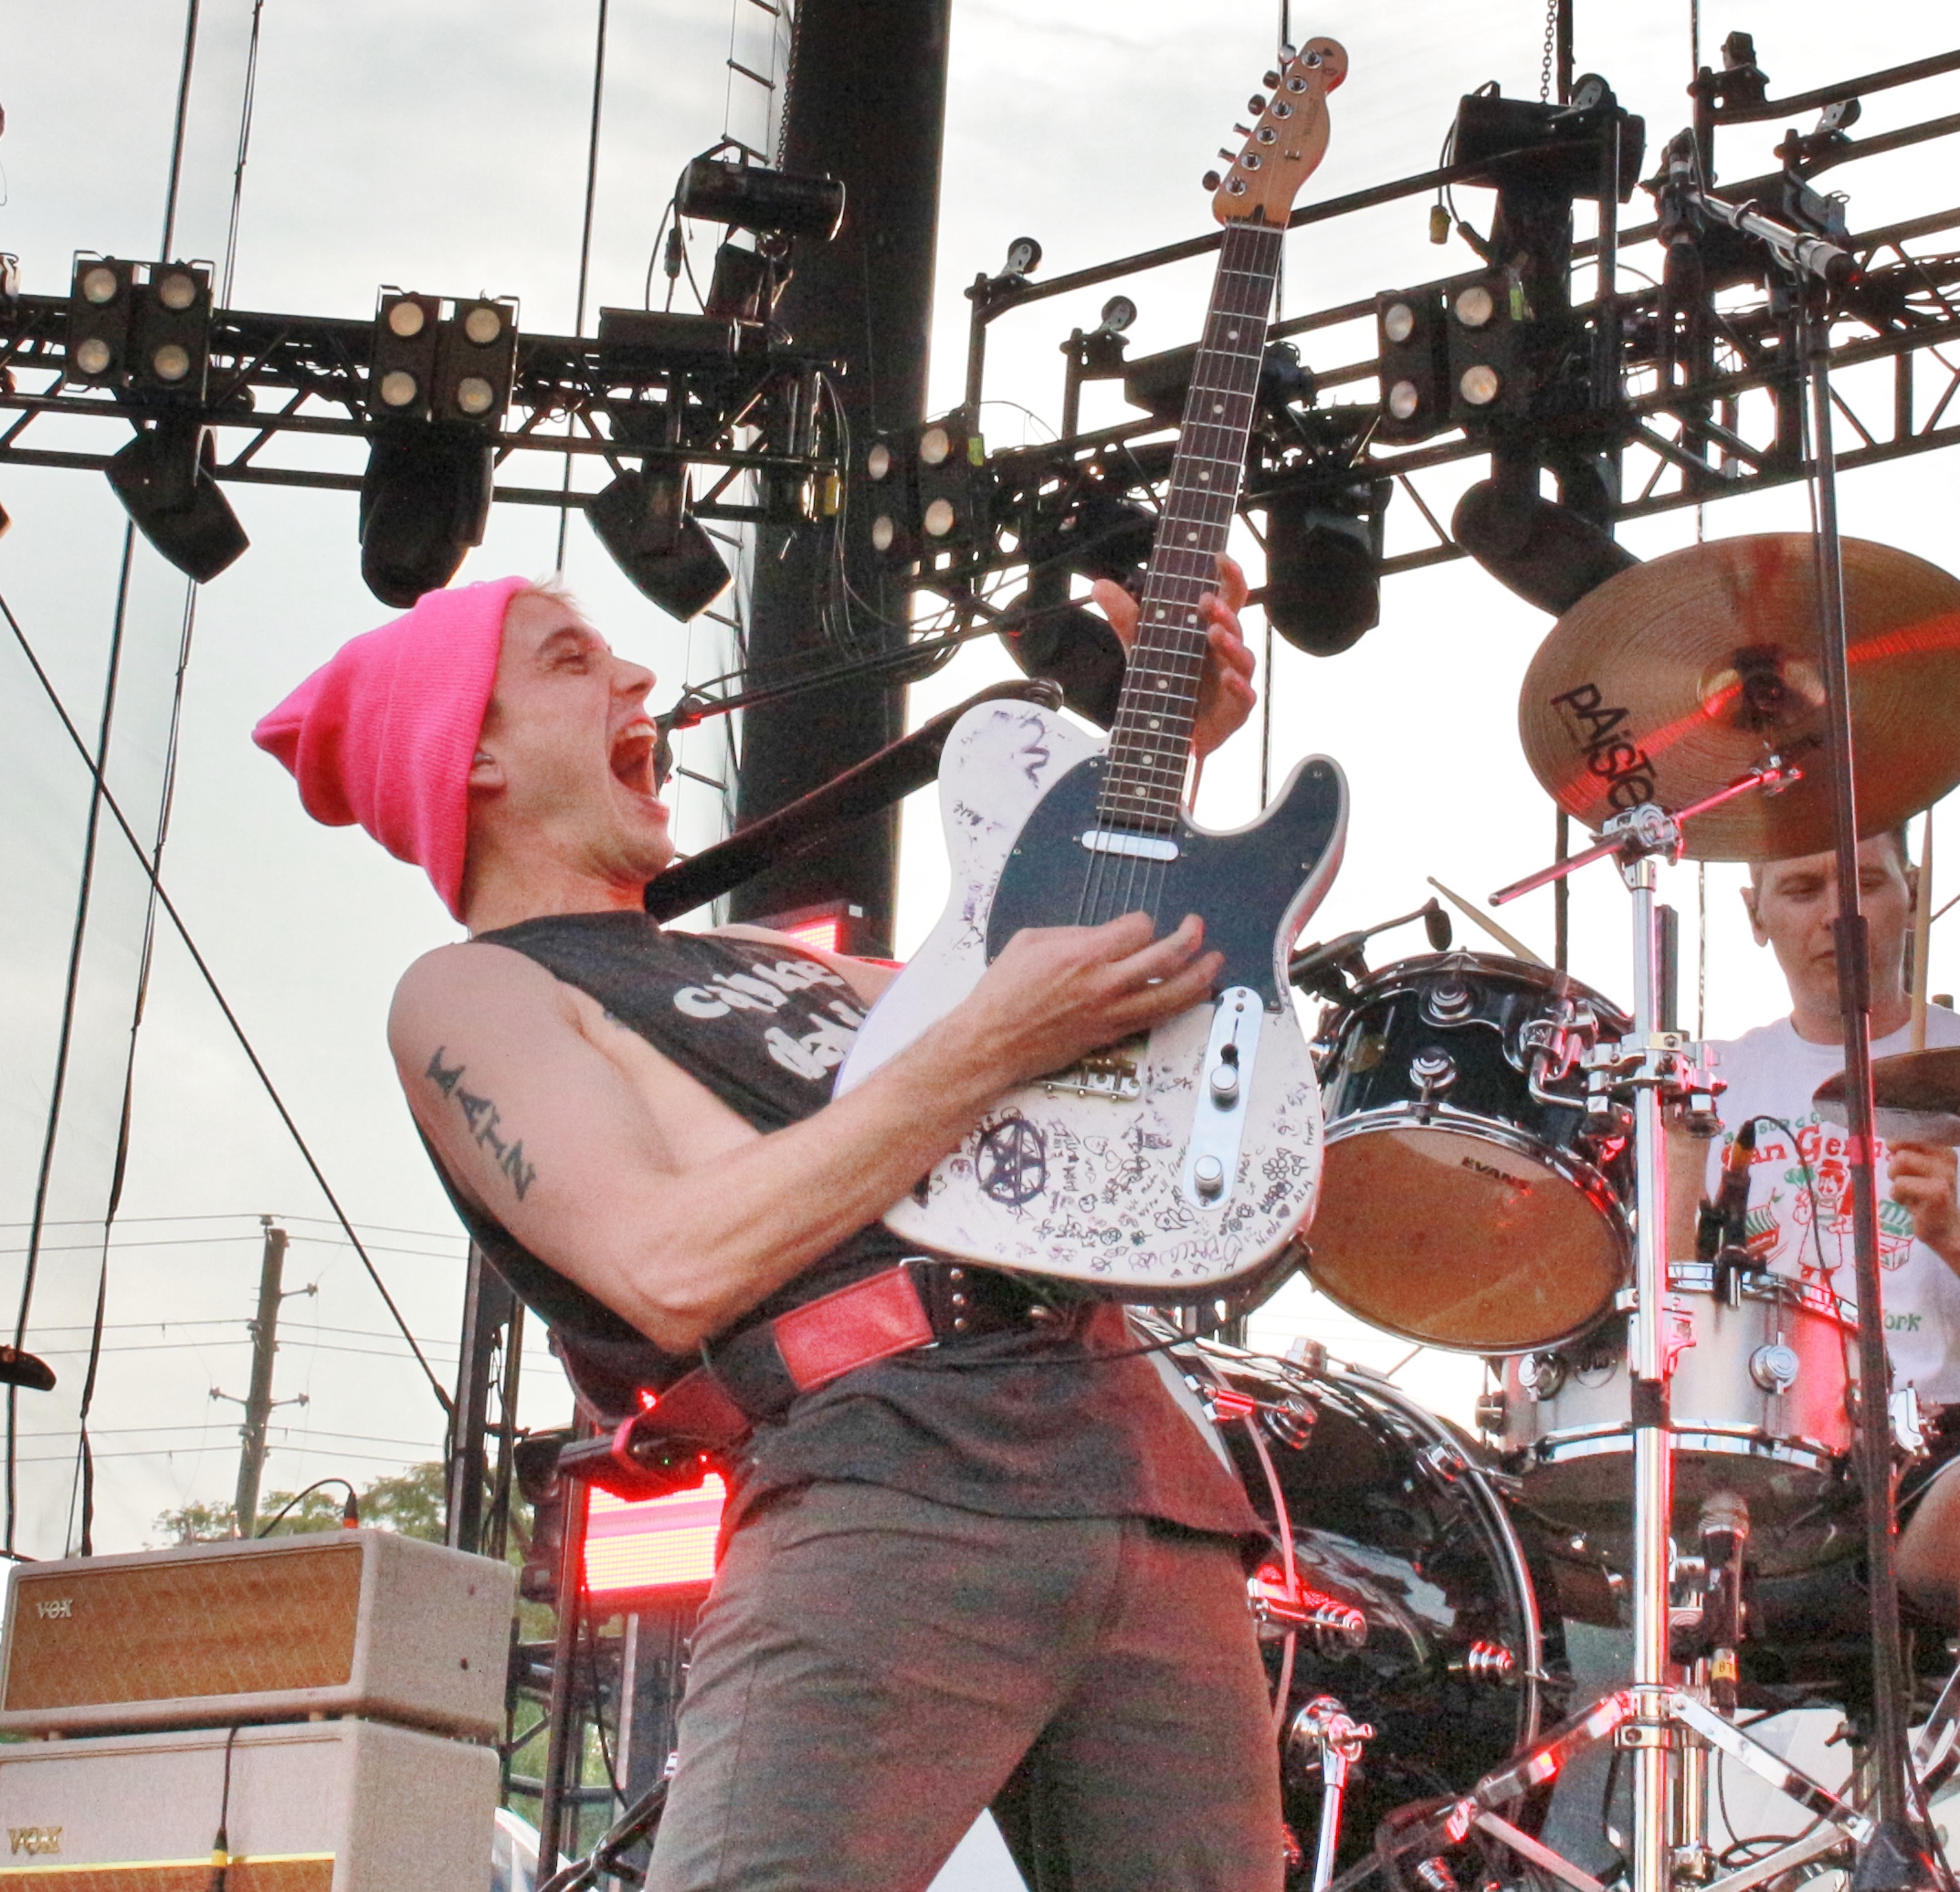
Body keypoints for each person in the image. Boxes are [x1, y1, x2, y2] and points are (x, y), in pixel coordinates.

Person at [253, 562, 1291, 1892]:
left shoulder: (779, 961)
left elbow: (1083, 1022)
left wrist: (1170, 757)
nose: (634, 679)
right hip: (886, 1489)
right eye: (569, 663)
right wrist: (983, 1040)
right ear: (475, 761)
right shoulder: (476, 994)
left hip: (1144, 1479)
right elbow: (664, 1263)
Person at [1669, 828, 1960, 1618]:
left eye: (1866, 882)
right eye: (1801, 890)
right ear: (1753, 912)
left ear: (1916, 888)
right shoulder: (1708, 1085)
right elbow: (1664, 1314)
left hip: (1939, 1455)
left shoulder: (1953, 1057)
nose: (1840, 915)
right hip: (1762, 1456)